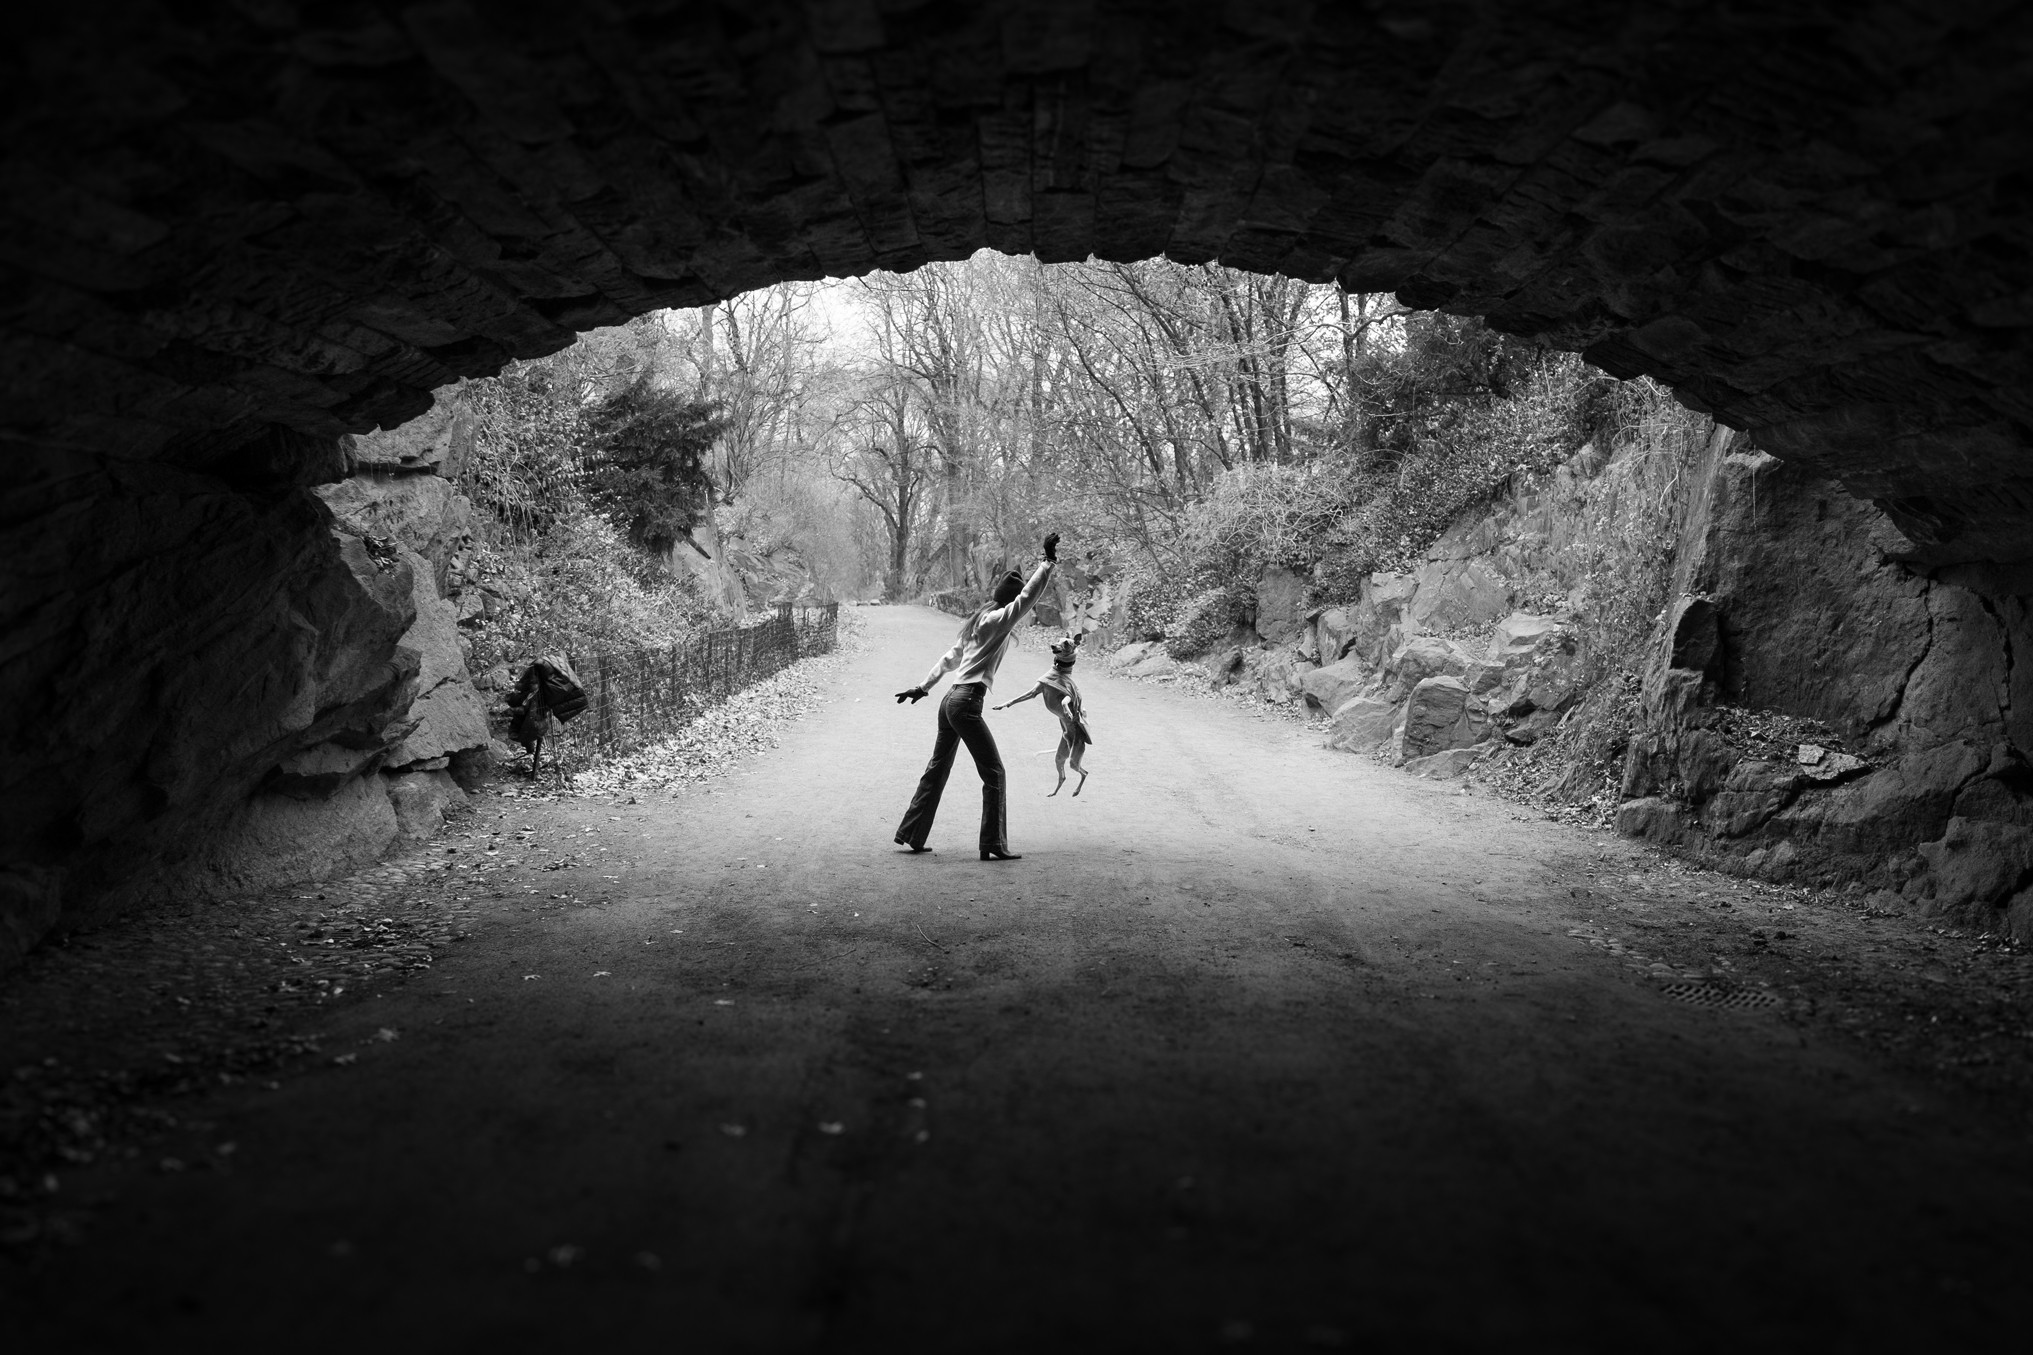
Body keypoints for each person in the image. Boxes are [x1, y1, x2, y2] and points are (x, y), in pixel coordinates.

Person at [893, 533, 1059, 860]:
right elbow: (1028, 597)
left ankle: (912, 833)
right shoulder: (998, 620)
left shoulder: (976, 623)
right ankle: (993, 844)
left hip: (950, 701)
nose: (1020, 609)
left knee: (936, 768)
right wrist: (1048, 563)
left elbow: (947, 659)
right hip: (967, 703)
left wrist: (923, 687)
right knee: (994, 772)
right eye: (1016, 604)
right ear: (1008, 602)